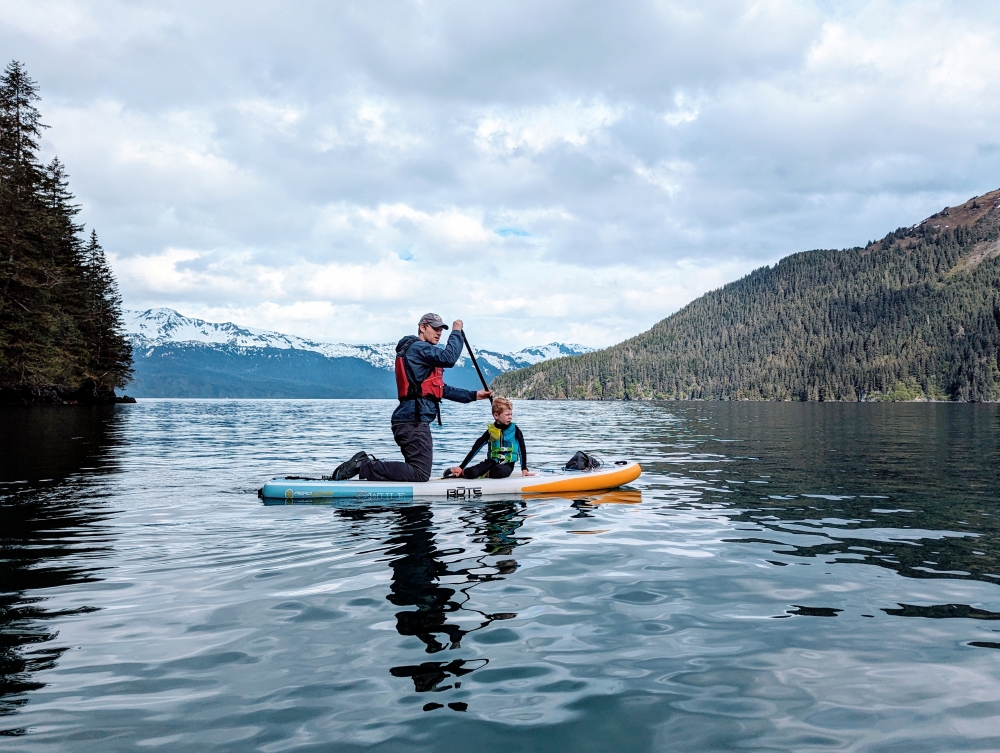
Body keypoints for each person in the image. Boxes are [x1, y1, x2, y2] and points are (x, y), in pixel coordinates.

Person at [332, 313, 492, 482]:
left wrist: (473, 395)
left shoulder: (422, 354)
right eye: (435, 328)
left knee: (414, 472)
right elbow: (449, 358)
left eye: (441, 329)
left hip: (410, 419)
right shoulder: (418, 348)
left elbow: (440, 389)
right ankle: (363, 466)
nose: (439, 332)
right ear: (422, 327)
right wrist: (456, 332)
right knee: (420, 473)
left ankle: (372, 473)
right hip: (413, 421)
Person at [447, 397, 533, 480]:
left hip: (507, 465)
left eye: (511, 414)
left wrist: (524, 468)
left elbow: (522, 449)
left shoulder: (515, 430)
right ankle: (459, 472)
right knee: (471, 472)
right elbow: (475, 449)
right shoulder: (490, 431)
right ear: (496, 415)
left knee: (498, 471)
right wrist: (461, 466)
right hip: (491, 462)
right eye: (507, 414)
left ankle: (486, 474)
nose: (510, 417)